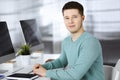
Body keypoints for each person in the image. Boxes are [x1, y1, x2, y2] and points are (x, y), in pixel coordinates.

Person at [33, 1, 105, 80]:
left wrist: (45, 73)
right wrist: (42, 67)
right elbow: (61, 61)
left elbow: (75, 75)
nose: (70, 21)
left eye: (74, 17)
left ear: (82, 18)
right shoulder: (66, 41)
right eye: (67, 18)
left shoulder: (90, 42)